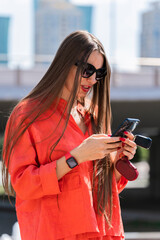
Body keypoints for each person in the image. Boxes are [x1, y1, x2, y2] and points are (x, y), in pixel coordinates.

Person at [2, 30, 137, 240]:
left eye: (99, 73)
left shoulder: (95, 115)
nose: (92, 79)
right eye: (87, 70)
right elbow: (23, 184)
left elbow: (104, 189)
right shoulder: (28, 114)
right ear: (64, 64)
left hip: (102, 232)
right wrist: (77, 156)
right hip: (52, 232)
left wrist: (120, 159)